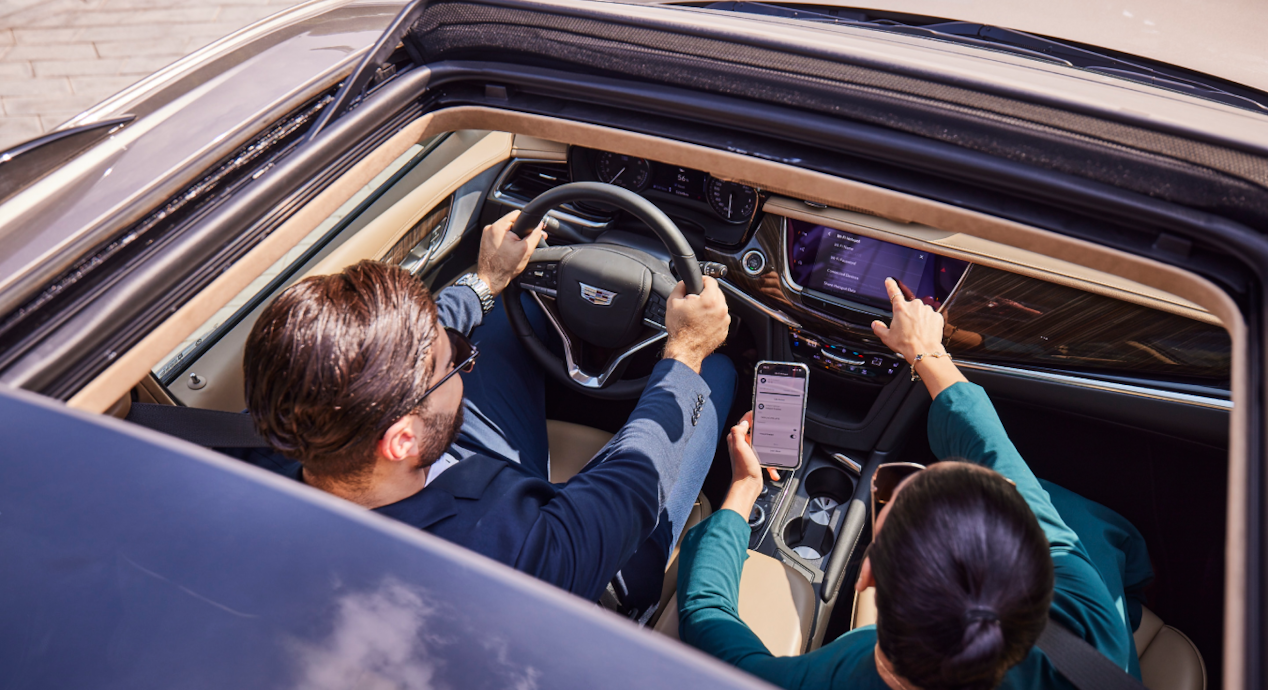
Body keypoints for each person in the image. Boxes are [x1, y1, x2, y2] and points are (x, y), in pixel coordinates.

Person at [241, 210, 736, 620]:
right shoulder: (517, 555)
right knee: (714, 377)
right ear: (402, 438)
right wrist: (686, 351)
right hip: (584, 575)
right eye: (450, 362)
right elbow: (632, 485)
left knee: (504, 308)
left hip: (439, 480)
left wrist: (486, 281)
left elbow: (408, 345)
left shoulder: (270, 434)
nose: (461, 358)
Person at [676, 277, 1152, 689]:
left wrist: (742, 487)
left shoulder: (841, 676)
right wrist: (929, 351)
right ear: (1038, 562)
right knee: (1089, 521)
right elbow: (994, 454)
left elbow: (706, 614)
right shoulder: (1088, 617)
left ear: (865, 578)